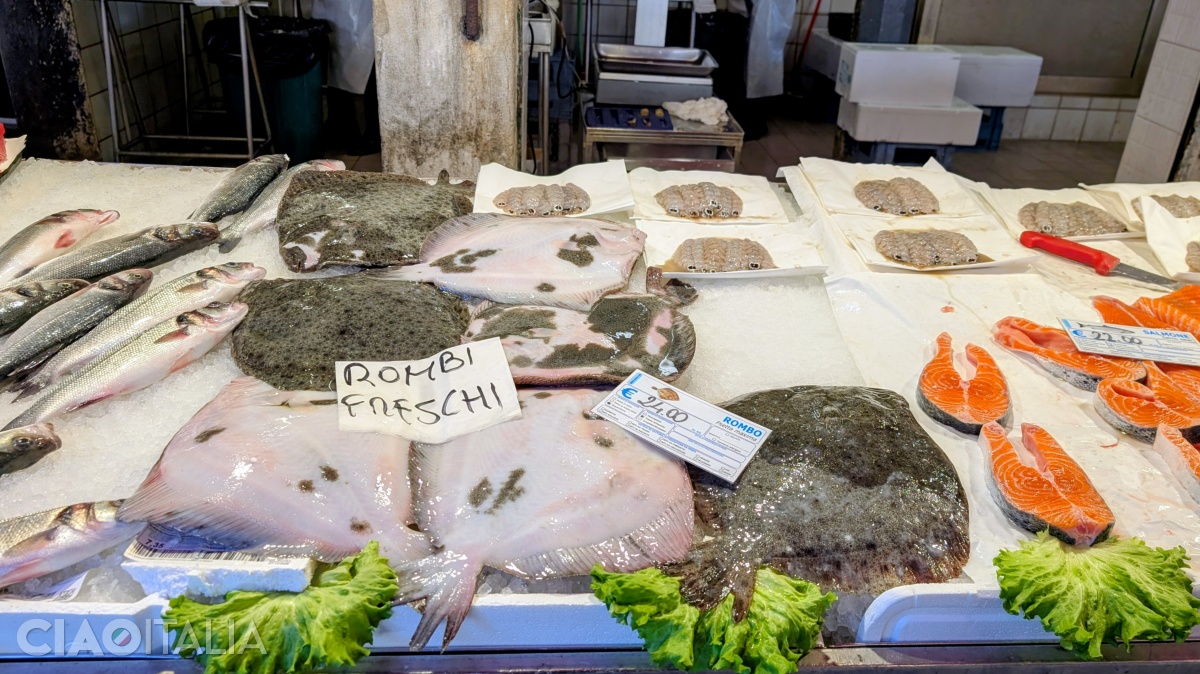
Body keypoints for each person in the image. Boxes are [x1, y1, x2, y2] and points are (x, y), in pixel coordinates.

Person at [311, 0, 379, 154]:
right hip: (336, 11)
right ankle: (344, 131)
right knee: (337, 68)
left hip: (358, 13)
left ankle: (370, 135)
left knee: (363, 64)